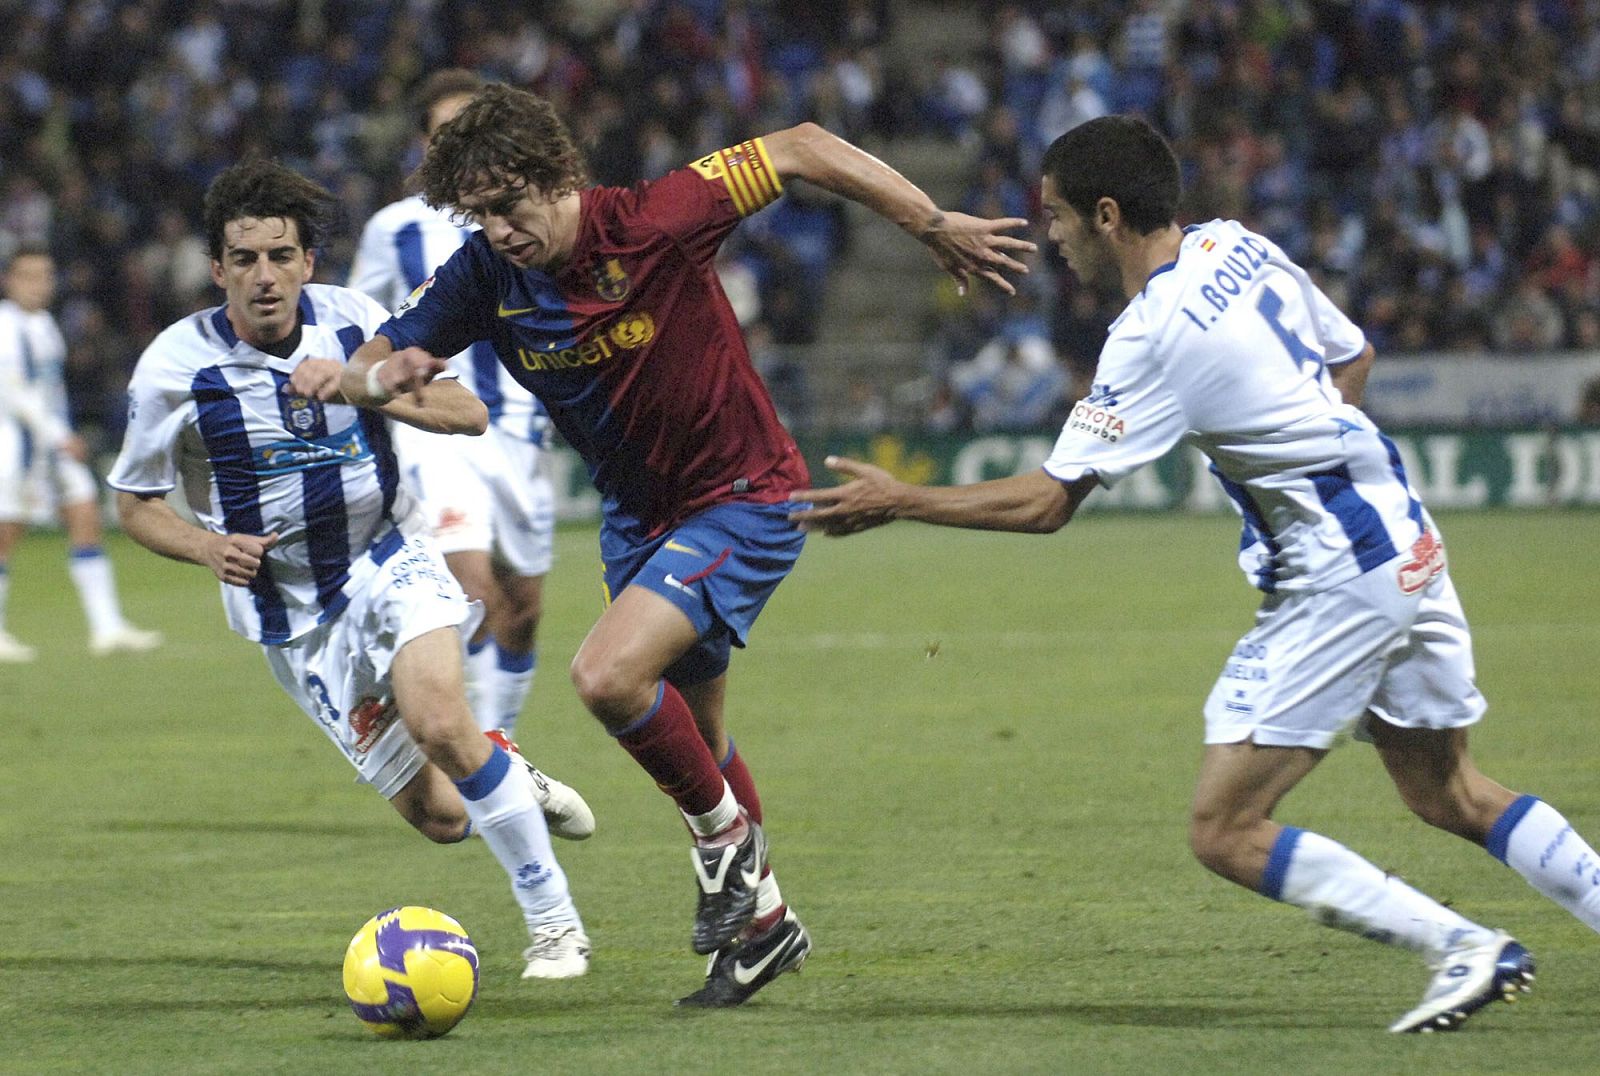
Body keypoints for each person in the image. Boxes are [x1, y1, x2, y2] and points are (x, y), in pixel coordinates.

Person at [791, 115, 1600, 1034]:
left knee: (1224, 829)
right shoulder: (1238, 244)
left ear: (1105, 215)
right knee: (1448, 790)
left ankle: (1464, 947)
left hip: (1339, 575)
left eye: (1054, 218)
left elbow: (1047, 502)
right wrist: (1313, 475)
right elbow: (1355, 357)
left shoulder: (1151, 334)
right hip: (1405, 538)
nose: (1050, 238)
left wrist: (904, 500)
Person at [289, 82, 1034, 1006]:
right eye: (477, 215)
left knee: (605, 676)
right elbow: (397, 353)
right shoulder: (485, 274)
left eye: (509, 208)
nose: (498, 230)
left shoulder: (656, 218)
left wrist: (926, 222)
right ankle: (764, 928)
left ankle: (728, 850)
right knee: (700, 741)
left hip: (744, 497)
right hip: (637, 519)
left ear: (555, 176)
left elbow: (800, 144)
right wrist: (362, 378)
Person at [108, 159, 593, 980]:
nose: (265, 277)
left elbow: (468, 412)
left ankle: (555, 925)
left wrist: (364, 390)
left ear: (308, 263)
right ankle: (502, 759)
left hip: (388, 558)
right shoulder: (173, 367)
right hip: (291, 615)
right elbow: (134, 502)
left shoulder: (355, 323)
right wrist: (205, 546)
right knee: (442, 817)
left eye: (282, 256)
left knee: (440, 721)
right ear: (216, 267)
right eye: (245, 259)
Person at [349, 69, 556, 742]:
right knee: (473, 593)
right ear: (424, 145)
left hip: (523, 424)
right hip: (437, 429)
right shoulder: (393, 230)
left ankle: (499, 732)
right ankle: (487, 758)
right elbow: (360, 326)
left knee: (521, 608)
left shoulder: (536, 214)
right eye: (445, 133)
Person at [0, 246, 162, 661]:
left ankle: (107, 627)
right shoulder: (6, 325)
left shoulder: (43, 324)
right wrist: (57, 435)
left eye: (46, 275)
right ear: (9, 281)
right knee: (6, 534)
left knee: (85, 512)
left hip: (51, 443)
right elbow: (15, 393)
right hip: (16, 444)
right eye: (29, 276)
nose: (40, 285)